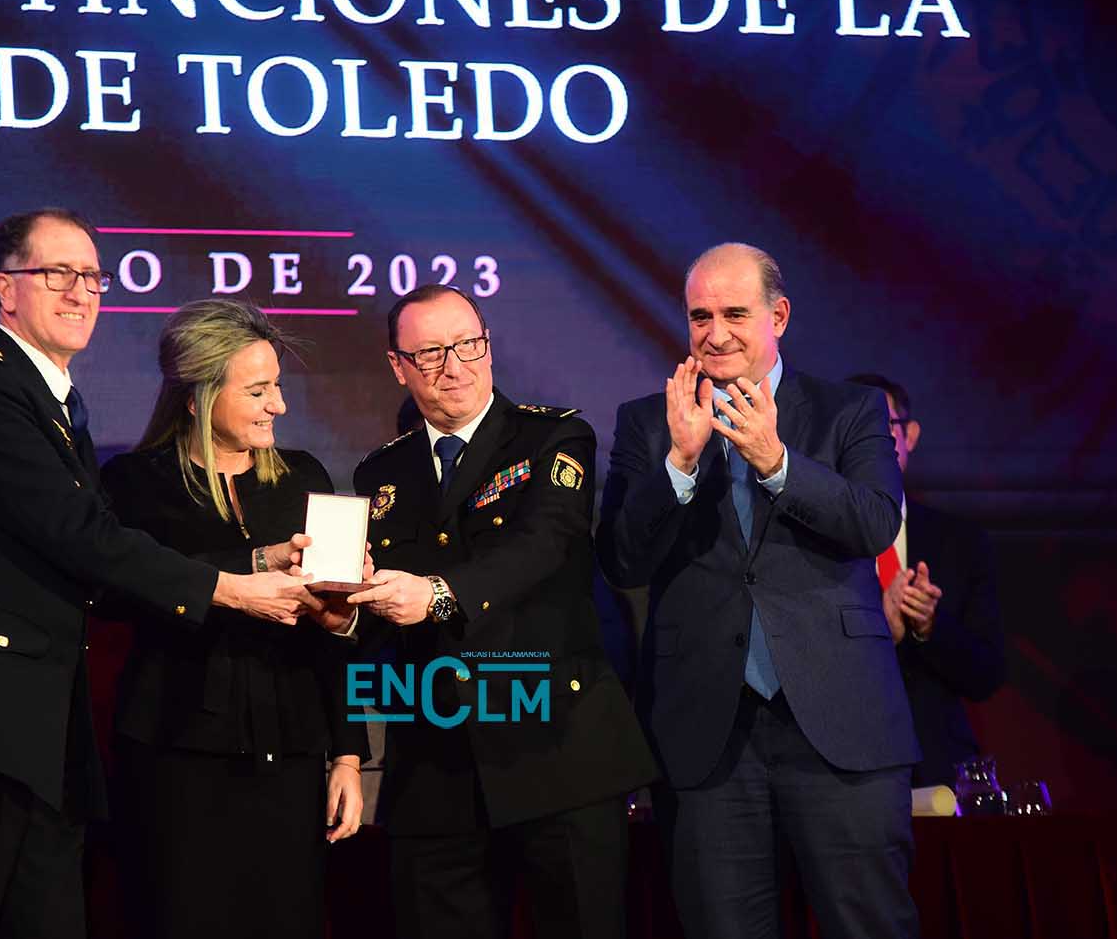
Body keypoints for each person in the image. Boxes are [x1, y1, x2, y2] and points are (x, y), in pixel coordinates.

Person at [0, 208, 314, 939]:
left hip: (39, 736)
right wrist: (231, 590)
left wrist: (256, 561)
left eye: (92, 276)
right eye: (57, 274)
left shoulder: (53, 401)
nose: (81, 292)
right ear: (3, 287)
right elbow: (79, 535)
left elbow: (95, 556)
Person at [598, 243, 920, 939]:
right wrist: (679, 465)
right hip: (706, 734)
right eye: (699, 317)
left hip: (840, 724)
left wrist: (777, 463)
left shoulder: (849, 410)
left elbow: (872, 523)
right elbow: (620, 560)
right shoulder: (648, 422)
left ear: (778, 316)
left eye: (735, 314)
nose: (715, 334)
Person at [345, 283, 658, 939]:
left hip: (558, 751)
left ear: (487, 346)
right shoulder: (379, 475)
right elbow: (375, 611)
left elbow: (543, 544)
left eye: (467, 345)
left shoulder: (554, 436)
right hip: (435, 766)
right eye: (429, 353)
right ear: (397, 366)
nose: (453, 366)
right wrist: (344, 609)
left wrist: (437, 594)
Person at [100, 300, 368, 938]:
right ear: (197, 397)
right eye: (257, 390)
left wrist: (348, 757)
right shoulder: (135, 484)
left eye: (277, 385)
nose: (279, 404)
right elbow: (122, 592)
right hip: (176, 757)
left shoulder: (302, 477)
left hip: (290, 756)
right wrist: (251, 565)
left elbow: (335, 637)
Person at [846, 373, 1005, 789]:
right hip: (842, 775)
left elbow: (987, 674)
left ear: (909, 435)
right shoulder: (808, 541)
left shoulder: (960, 542)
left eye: (883, 425)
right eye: (855, 428)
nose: (870, 442)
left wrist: (930, 627)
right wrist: (879, 631)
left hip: (938, 773)